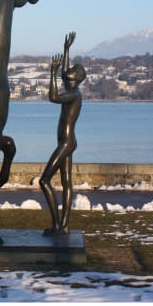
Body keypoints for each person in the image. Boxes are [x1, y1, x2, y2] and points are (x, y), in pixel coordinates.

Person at [40, 31, 87, 235]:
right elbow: (65, 72)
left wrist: (51, 73)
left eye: (73, 69)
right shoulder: (72, 88)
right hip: (68, 141)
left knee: (44, 181)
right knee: (67, 184)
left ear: (76, 78)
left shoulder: (74, 95)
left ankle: (59, 225)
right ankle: (63, 226)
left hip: (66, 142)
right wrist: (66, 49)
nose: (69, 69)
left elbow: (52, 97)